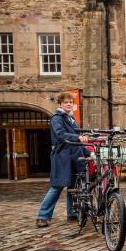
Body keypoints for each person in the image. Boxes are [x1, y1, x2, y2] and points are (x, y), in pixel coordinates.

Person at [35, 92, 89, 228]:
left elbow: (78, 136)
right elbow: (60, 134)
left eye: (71, 102)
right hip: (62, 155)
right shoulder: (57, 118)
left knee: (74, 186)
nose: (69, 104)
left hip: (75, 155)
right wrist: (77, 138)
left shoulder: (71, 119)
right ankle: (42, 216)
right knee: (57, 186)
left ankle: (72, 212)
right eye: (66, 102)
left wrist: (89, 152)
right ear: (60, 104)